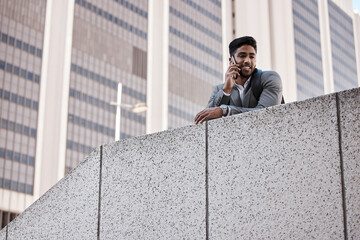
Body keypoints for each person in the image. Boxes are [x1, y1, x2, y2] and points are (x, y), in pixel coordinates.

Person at [194, 36, 283, 124]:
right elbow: (205, 119)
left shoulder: (270, 78)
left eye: (252, 57)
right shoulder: (220, 89)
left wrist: (225, 111)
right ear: (231, 60)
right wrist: (226, 90)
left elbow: (267, 113)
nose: (248, 61)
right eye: (242, 56)